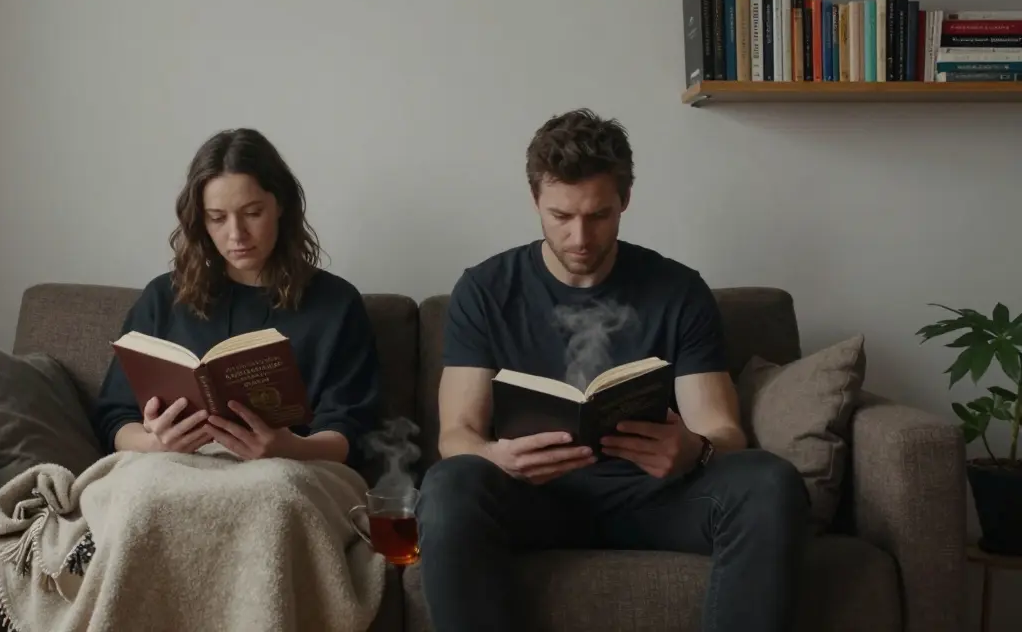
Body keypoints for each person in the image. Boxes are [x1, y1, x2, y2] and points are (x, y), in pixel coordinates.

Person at [416, 109, 809, 631]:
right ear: (535, 200)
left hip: (655, 497)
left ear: (625, 201)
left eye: (599, 216)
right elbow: (456, 433)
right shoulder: (484, 291)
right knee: (449, 484)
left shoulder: (678, 290)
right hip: (537, 500)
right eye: (561, 216)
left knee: (771, 481)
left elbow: (723, 429)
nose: (580, 236)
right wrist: (494, 456)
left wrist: (695, 448)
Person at [89, 127, 381, 470]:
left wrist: (289, 448)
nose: (236, 234)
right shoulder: (162, 299)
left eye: (253, 213)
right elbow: (115, 416)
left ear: (281, 206)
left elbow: (354, 431)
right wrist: (153, 444)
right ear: (200, 220)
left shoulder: (336, 304)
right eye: (217, 218)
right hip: (174, 469)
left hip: (290, 471)